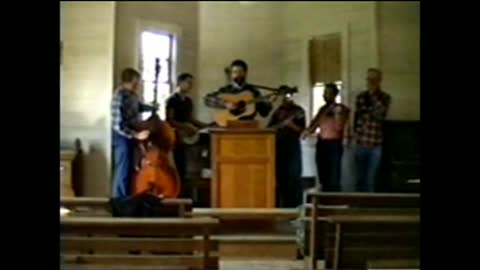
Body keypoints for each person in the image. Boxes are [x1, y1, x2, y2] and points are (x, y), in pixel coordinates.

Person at [111, 68, 157, 198]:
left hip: (132, 134)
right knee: (123, 170)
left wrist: (151, 108)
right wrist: (136, 135)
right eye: (136, 82)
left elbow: (138, 107)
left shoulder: (132, 95)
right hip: (122, 137)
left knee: (131, 170)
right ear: (129, 81)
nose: (138, 84)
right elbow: (117, 125)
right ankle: (120, 202)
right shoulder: (119, 96)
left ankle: (130, 199)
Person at [166, 73, 209, 198]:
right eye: (188, 82)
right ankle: (178, 194)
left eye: (192, 82)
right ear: (180, 83)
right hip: (177, 136)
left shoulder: (189, 101)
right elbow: (170, 120)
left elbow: (190, 119)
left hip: (189, 136)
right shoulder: (172, 100)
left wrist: (205, 125)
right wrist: (185, 127)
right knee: (180, 166)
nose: (191, 85)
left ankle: (189, 195)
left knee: (190, 167)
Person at [303, 83, 350, 192]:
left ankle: (335, 203)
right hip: (321, 144)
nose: (325, 95)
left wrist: (335, 112)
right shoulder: (322, 109)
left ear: (334, 94)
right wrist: (306, 132)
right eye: (324, 93)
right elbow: (313, 127)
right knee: (323, 176)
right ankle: (324, 203)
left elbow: (340, 126)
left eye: (328, 93)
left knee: (333, 177)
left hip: (334, 145)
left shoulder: (341, 108)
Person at [353, 68, 391, 192]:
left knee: (371, 179)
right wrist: (373, 110)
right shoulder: (360, 96)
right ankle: (358, 207)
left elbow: (381, 115)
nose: (370, 82)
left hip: (376, 144)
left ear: (379, 81)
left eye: (374, 79)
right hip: (360, 142)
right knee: (359, 178)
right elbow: (360, 115)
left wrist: (373, 96)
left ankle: (369, 207)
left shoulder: (385, 97)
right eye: (369, 79)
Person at [268, 90, 306, 207]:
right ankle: (283, 205)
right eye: (283, 96)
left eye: (288, 96)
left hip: (292, 146)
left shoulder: (298, 111)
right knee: (280, 176)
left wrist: (291, 125)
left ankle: (295, 206)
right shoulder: (278, 111)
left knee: (293, 175)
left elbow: (302, 131)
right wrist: (280, 126)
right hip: (278, 146)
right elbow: (269, 128)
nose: (285, 99)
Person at [204, 59, 272, 120]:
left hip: (247, 127)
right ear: (231, 74)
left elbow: (264, 113)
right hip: (227, 125)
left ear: (245, 73)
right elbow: (207, 99)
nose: (237, 75)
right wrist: (225, 104)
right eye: (235, 72)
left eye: (240, 72)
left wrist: (266, 103)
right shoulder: (225, 90)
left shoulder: (253, 91)